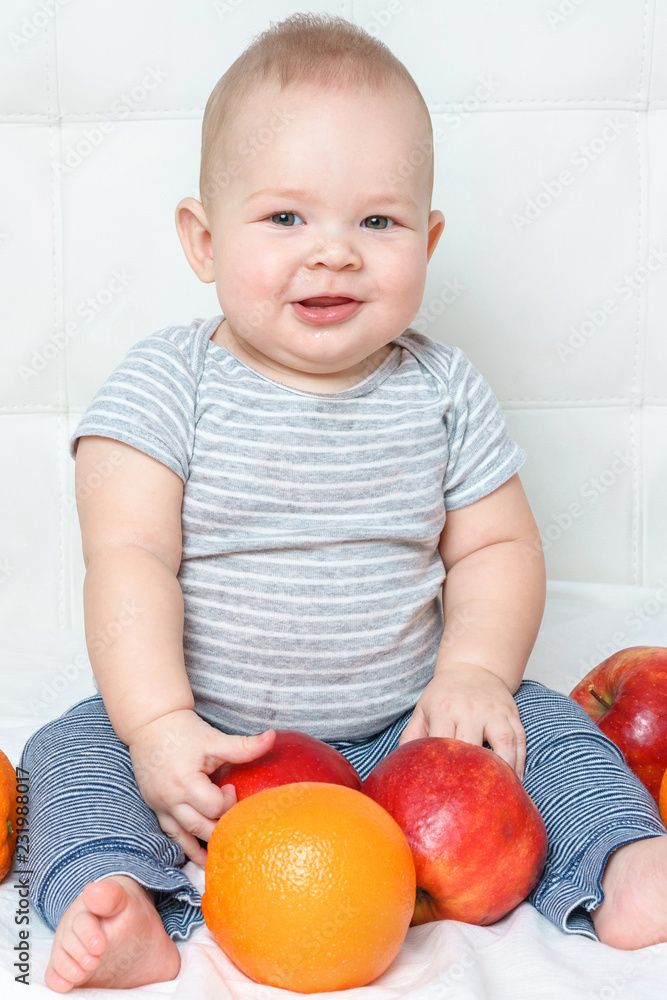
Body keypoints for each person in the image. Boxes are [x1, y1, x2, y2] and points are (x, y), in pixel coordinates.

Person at [20, 12, 667, 994]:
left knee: (545, 724)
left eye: (377, 221)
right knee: (68, 752)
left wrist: (474, 672)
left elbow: (496, 545)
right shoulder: (169, 384)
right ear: (202, 239)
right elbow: (128, 556)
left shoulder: (442, 388)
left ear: (428, 237)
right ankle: (116, 899)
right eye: (286, 218)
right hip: (215, 739)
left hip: (410, 724)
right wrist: (156, 724)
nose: (333, 253)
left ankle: (622, 864)